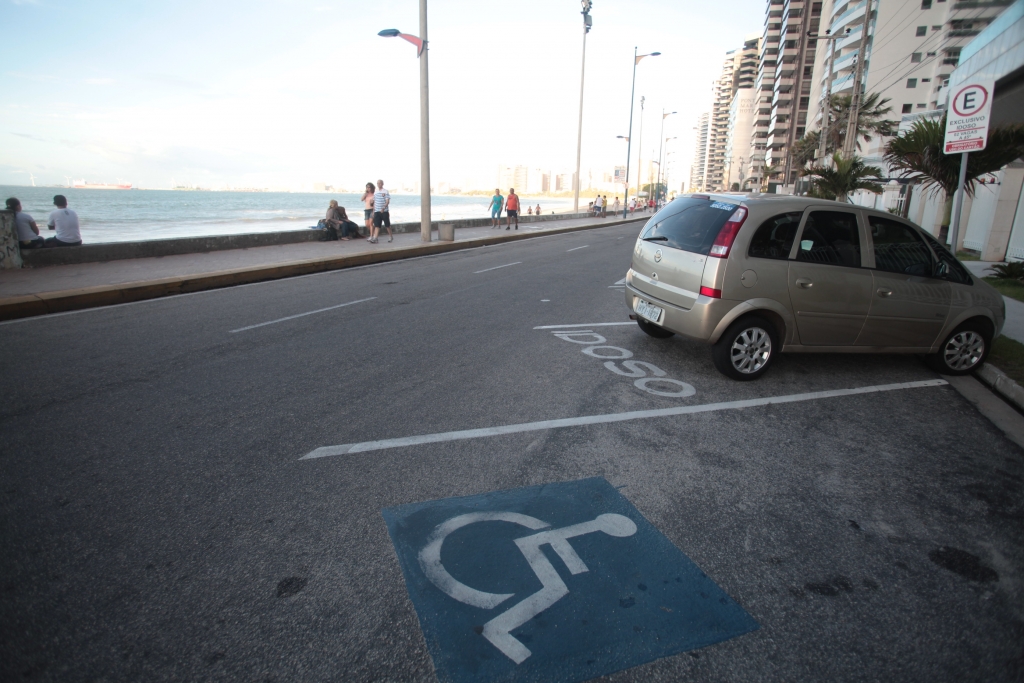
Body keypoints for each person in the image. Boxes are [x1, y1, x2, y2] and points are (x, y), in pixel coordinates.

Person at [371, 179, 392, 244]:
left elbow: (387, 201)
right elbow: (374, 202)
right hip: (377, 211)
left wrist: (383, 208)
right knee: (377, 225)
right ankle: (375, 238)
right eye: (377, 183)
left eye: (380, 183)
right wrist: (373, 211)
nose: (378, 184)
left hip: (384, 211)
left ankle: (390, 236)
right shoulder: (375, 192)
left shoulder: (385, 191)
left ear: (382, 184)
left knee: (387, 225)